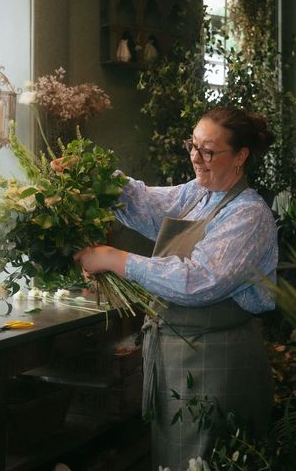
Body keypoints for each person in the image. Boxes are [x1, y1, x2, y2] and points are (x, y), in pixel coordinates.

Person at [73, 106, 278, 471]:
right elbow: (146, 203)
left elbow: (198, 280)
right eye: (193, 146)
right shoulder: (196, 195)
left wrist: (116, 259)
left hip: (219, 362)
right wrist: (91, 175)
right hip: (176, 359)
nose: (196, 159)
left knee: (213, 460)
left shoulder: (249, 214)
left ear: (241, 156)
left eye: (208, 151)